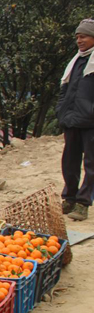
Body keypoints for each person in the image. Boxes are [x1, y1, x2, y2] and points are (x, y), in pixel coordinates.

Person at [57, 18, 94, 221]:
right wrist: (61, 111)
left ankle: (83, 203)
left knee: (91, 164)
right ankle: (69, 198)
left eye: (84, 36)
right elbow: (65, 88)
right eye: (77, 37)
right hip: (71, 119)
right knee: (69, 162)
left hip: (91, 122)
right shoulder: (76, 61)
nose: (79, 40)